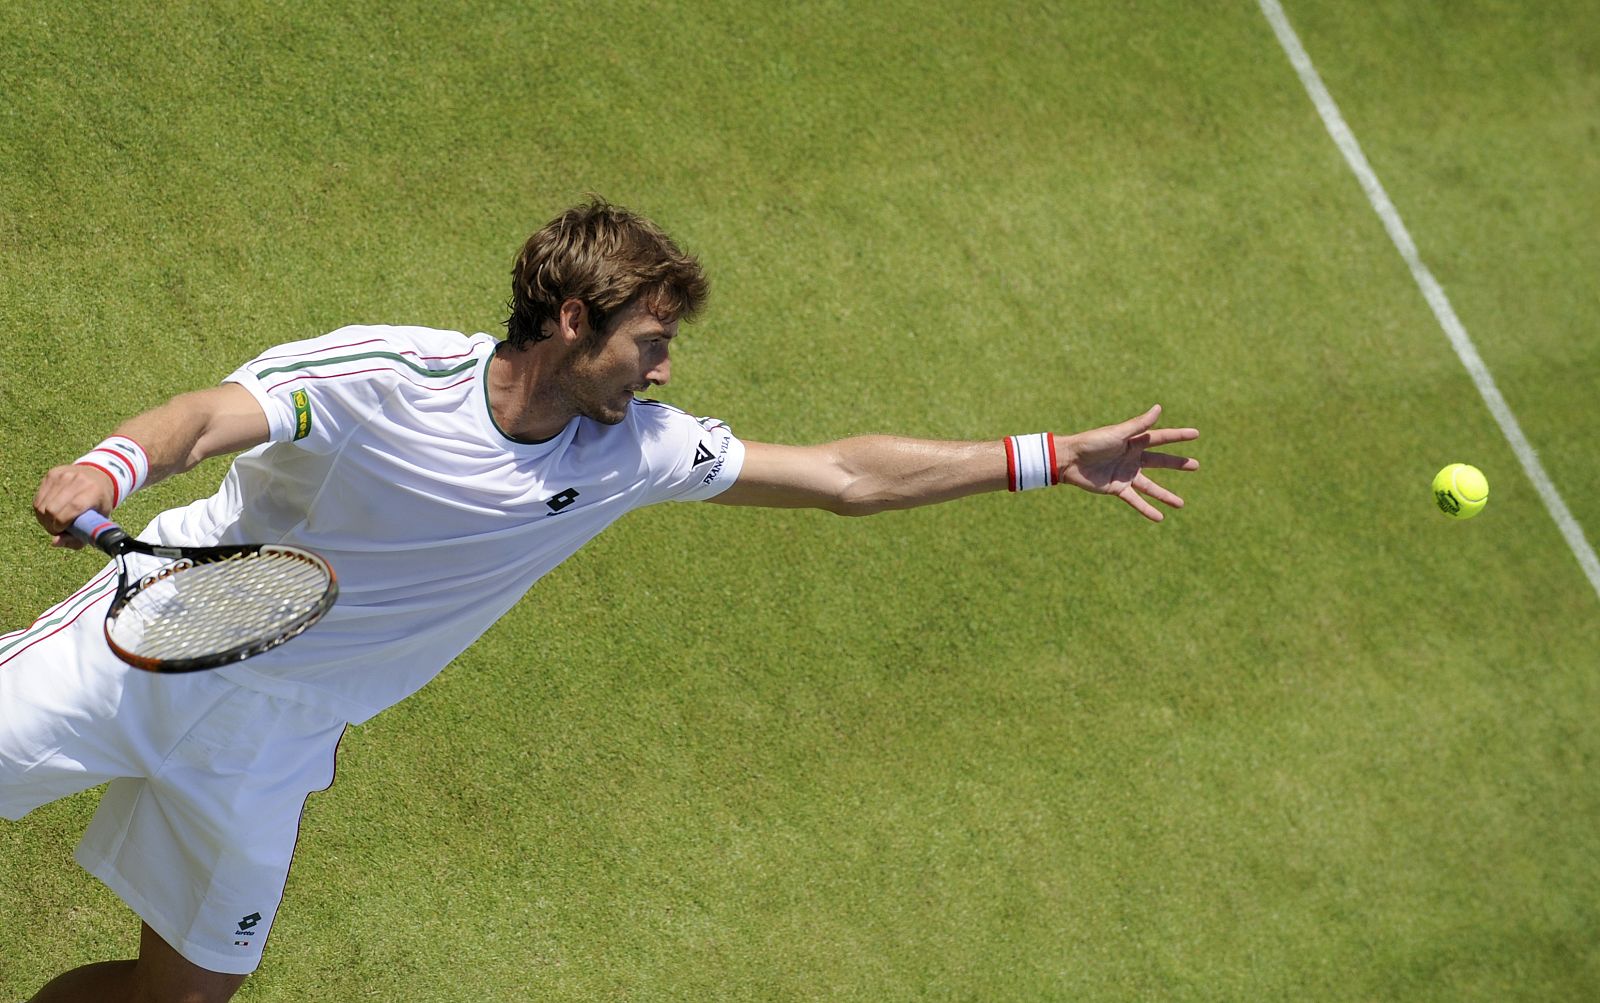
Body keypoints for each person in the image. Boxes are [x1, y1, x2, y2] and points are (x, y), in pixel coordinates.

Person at [2, 198, 1199, 1003]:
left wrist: (1041, 456)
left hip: (278, 740)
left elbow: (838, 475)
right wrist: (111, 466)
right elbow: (213, 416)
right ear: (573, 321)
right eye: (651, 340)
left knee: (181, 996)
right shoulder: (389, 375)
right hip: (145, 636)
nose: (667, 368)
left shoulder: (635, 449)